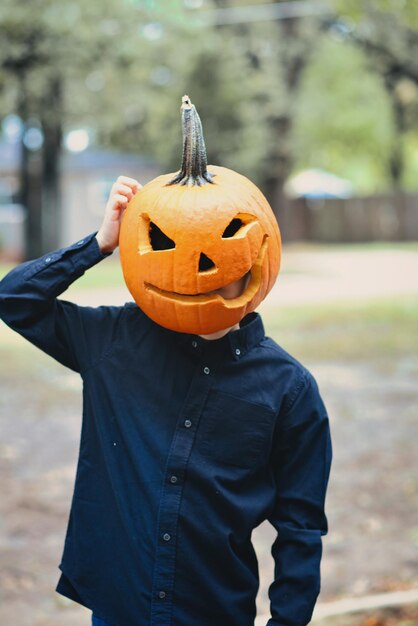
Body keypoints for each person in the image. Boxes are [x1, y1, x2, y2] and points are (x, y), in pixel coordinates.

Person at [0, 175, 332, 626]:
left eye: (219, 248)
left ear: (257, 252)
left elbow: (300, 527)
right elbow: (14, 299)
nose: (193, 270)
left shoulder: (289, 389)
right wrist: (98, 244)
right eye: (165, 244)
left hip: (215, 611)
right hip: (121, 607)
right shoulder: (112, 342)